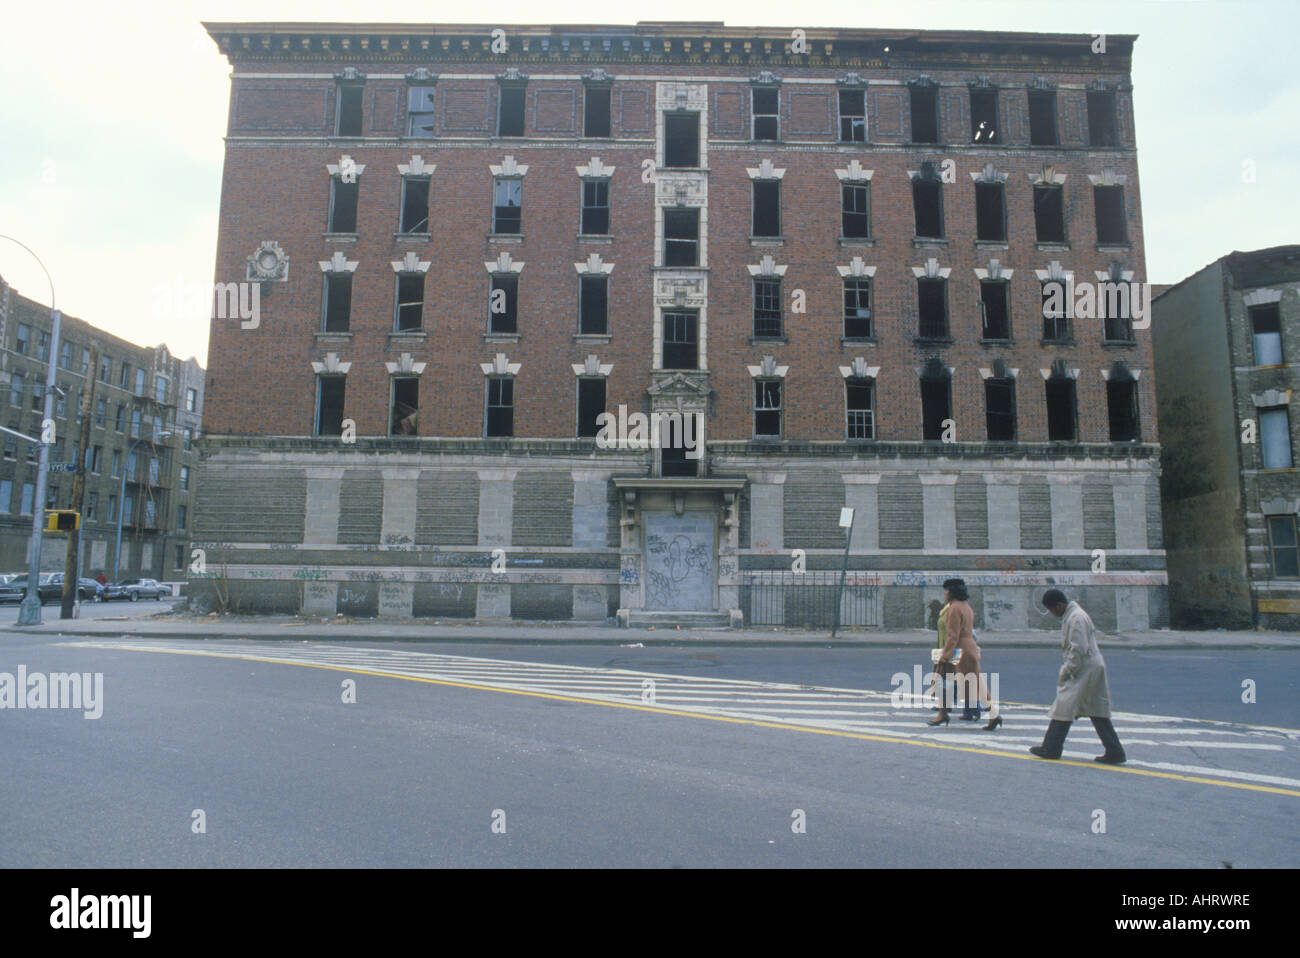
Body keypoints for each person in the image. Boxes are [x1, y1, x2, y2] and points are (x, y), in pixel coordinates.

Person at [1030, 589, 1126, 764]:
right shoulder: (1075, 615)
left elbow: (1078, 649)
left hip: (1084, 667)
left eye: (1052, 610)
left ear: (1059, 605)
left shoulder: (1076, 618)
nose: (1052, 614)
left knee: (1063, 706)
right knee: (1096, 710)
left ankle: (1051, 748)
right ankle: (1115, 751)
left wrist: (1067, 671)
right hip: (1091, 665)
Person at [930, 579, 1001, 730]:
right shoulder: (965, 606)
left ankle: (994, 715)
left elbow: (952, 636)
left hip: (959, 650)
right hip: (967, 647)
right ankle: (942, 714)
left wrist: (945, 656)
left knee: (972, 684)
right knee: (947, 681)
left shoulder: (954, 608)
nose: (944, 594)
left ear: (952, 592)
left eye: (946, 591)